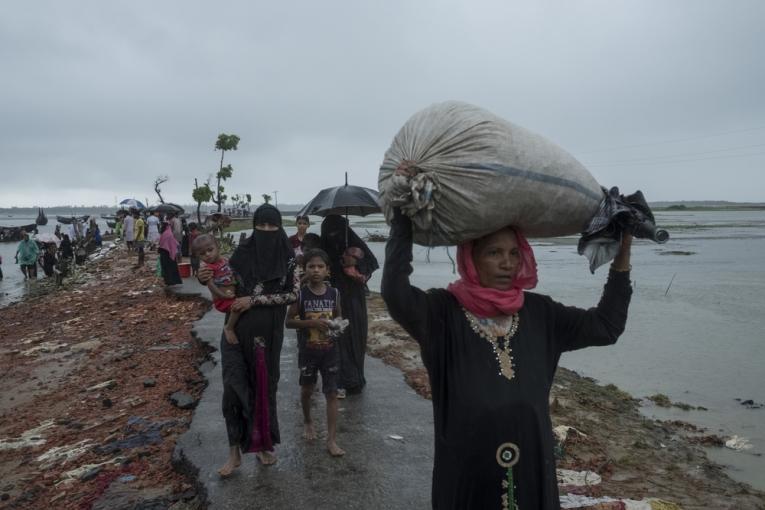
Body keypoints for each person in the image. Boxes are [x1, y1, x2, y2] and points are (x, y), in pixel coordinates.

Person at [381, 207, 633, 509]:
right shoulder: (441, 313)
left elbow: (606, 327)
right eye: (494, 253)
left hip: (532, 468)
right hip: (468, 473)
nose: (507, 263)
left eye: (515, 253)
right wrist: (402, 219)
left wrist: (623, 256)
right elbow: (396, 293)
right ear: (470, 258)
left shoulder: (540, 313)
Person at [197, 204, 299, 476]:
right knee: (233, 387)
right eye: (261, 225)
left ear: (279, 227)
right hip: (235, 331)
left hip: (268, 335)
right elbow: (225, 285)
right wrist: (204, 278)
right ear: (254, 226)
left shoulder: (288, 257)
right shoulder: (241, 253)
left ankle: (263, 444)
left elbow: (293, 295)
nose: (266, 231)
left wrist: (254, 300)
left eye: (272, 226)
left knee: (264, 388)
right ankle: (234, 452)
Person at [285, 249, 346, 457]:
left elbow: (339, 318)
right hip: (308, 352)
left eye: (321, 267)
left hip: (330, 352)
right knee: (306, 391)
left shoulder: (334, 293)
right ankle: (308, 420)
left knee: (331, 393)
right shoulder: (300, 295)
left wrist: (335, 326)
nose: (316, 270)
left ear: (328, 271)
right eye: (311, 266)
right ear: (305, 270)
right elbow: (289, 322)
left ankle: (331, 440)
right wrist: (311, 322)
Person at [320, 215, 379, 397]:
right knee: (336, 339)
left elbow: (371, 264)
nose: (334, 236)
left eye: (338, 232)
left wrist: (355, 263)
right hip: (332, 299)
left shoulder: (355, 245)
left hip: (354, 300)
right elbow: (316, 268)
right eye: (330, 232)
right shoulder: (323, 248)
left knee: (355, 338)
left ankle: (355, 379)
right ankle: (338, 381)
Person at [193, 234, 242, 344]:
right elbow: (211, 286)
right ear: (198, 256)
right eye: (202, 254)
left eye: (210, 250)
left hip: (230, 295)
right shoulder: (207, 268)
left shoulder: (224, 260)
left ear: (217, 246)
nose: (208, 254)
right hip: (222, 300)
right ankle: (229, 328)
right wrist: (223, 295)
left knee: (239, 306)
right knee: (238, 307)